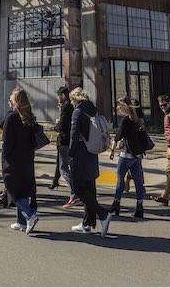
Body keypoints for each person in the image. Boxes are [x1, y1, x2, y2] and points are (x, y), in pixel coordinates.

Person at [67, 87, 112, 237]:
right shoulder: (93, 110)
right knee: (90, 188)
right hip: (92, 153)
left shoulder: (78, 112)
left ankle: (103, 214)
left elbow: (74, 136)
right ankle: (87, 223)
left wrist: (70, 155)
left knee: (79, 188)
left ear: (74, 99)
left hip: (80, 153)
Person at [1, 87, 42, 235]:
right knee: (23, 189)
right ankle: (21, 222)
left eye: (11, 98)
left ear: (15, 101)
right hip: (27, 159)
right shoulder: (29, 116)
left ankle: (30, 215)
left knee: (13, 190)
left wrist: (4, 159)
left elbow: (6, 142)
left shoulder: (11, 117)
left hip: (13, 160)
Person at [109, 97, 148, 218]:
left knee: (120, 178)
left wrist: (113, 147)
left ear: (123, 108)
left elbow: (118, 135)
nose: (118, 110)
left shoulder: (126, 120)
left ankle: (116, 204)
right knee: (138, 181)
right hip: (137, 155)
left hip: (126, 154)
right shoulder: (137, 119)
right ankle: (140, 206)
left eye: (119, 108)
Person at [50, 86, 77, 207]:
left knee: (63, 168)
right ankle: (56, 182)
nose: (58, 97)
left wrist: (55, 127)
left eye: (59, 95)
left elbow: (62, 125)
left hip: (64, 140)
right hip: (69, 140)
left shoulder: (66, 106)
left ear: (62, 95)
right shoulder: (69, 106)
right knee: (64, 164)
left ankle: (75, 191)